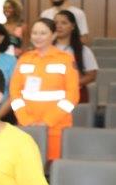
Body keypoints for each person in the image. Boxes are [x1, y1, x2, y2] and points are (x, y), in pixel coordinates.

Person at [10, 19, 80, 160]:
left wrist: (47, 121)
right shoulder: (24, 58)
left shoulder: (65, 59)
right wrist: (25, 119)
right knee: (27, 166)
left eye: (43, 33)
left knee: (52, 169)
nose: (37, 36)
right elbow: (14, 93)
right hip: (26, 125)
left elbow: (72, 96)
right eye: (34, 33)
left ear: (53, 35)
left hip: (56, 127)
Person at [54, 10, 98, 103]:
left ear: (73, 26)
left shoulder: (83, 50)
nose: (59, 26)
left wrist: (70, 84)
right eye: (56, 23)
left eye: (64, 23)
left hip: (76, 95)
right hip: (50, 95)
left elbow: (92, 76)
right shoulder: (46, 49)